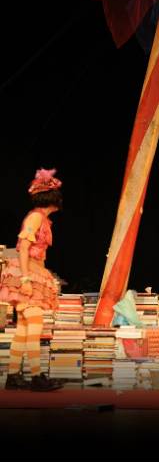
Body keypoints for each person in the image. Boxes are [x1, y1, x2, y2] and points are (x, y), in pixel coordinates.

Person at [0, 168, 64, 391]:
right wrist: (26, 279)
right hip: (27, 274)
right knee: (34, 325)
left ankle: (13, 376)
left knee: (24, 327)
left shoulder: (42, 219)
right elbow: (24, 247)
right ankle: (37, 377)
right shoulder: (36, 217)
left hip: (34, 272)